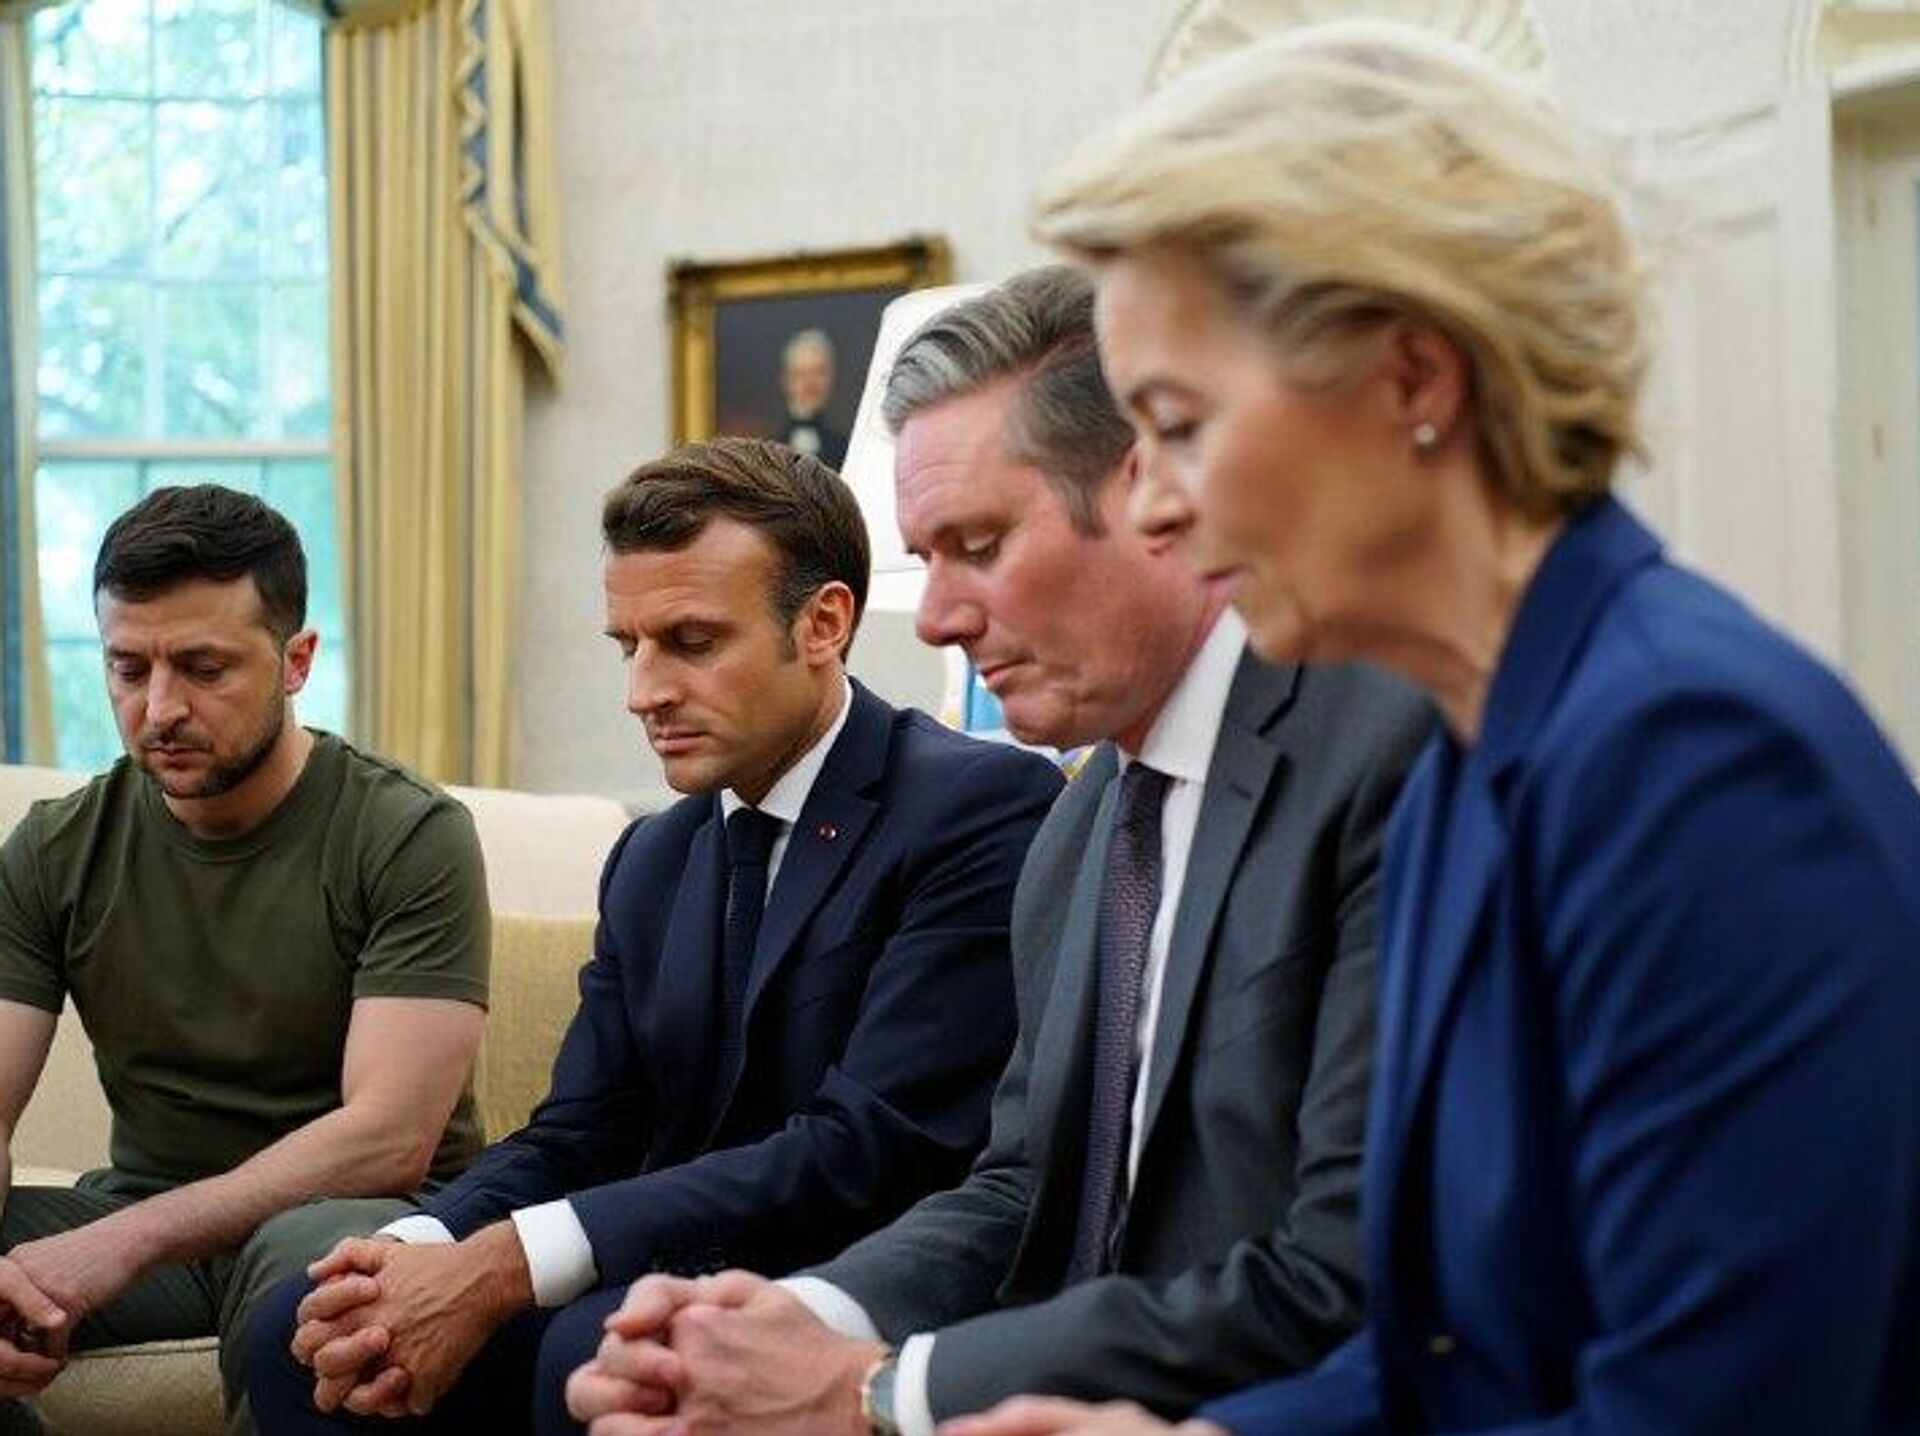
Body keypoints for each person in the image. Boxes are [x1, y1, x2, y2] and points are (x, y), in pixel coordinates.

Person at [938, 20, 1920, 1435]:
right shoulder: (1479, 753)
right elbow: (1445, 1349)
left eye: (1183, 424)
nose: (1151, 507)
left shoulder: (1695, 759)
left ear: (1413, 377)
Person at [563, 267, 1433, 1435]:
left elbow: (1341, 1276)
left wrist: (880, 1389)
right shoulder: (1081, 824)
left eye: (977, 545)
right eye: (928, 558)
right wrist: (799, 1316)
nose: (935, 618)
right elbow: (1022, 1186)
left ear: (1156, 496)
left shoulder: (1388, 748)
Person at [244, 437, 1063, 1434]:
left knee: (596, 1350)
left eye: (690, 641)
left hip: (855, 1272)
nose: (644, 691)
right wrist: (419, 1246)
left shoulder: (975, 807)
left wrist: (510, 1261)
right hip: (658, 1255)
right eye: (627, 645)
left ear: (823, 622)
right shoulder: (652, 855)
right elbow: (580, 1131)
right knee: (306, 1325)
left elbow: (865, 1150)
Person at [0, 484, 489, 1434]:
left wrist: (122, 1243)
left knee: (317, 1282)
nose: (160, 708)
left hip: (349, 1220)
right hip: (148, 1224)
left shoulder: (407, 833)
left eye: (204, 667)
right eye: (128, 668)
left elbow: (389, 1138)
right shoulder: (57, 849)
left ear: (297, 660)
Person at [778, 329, 848, 468]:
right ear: (786, 380)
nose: (810, 384)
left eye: (819, 372)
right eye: (801, 374)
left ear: (831, 378)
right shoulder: (765, 455)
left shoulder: (846, 449)